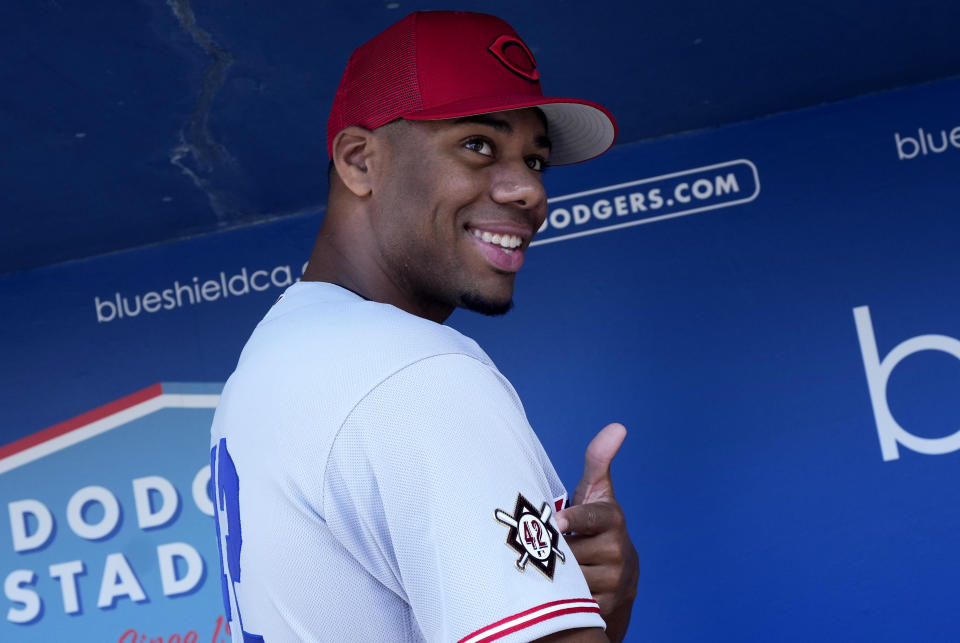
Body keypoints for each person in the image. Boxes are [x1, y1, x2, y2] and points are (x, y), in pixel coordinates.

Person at [210, 10, 639, 642]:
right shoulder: (410, 371)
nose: (527, 190)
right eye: (478, 145)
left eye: (536, 161)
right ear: (360, 162)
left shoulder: (278, 353)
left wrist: (592, 607)